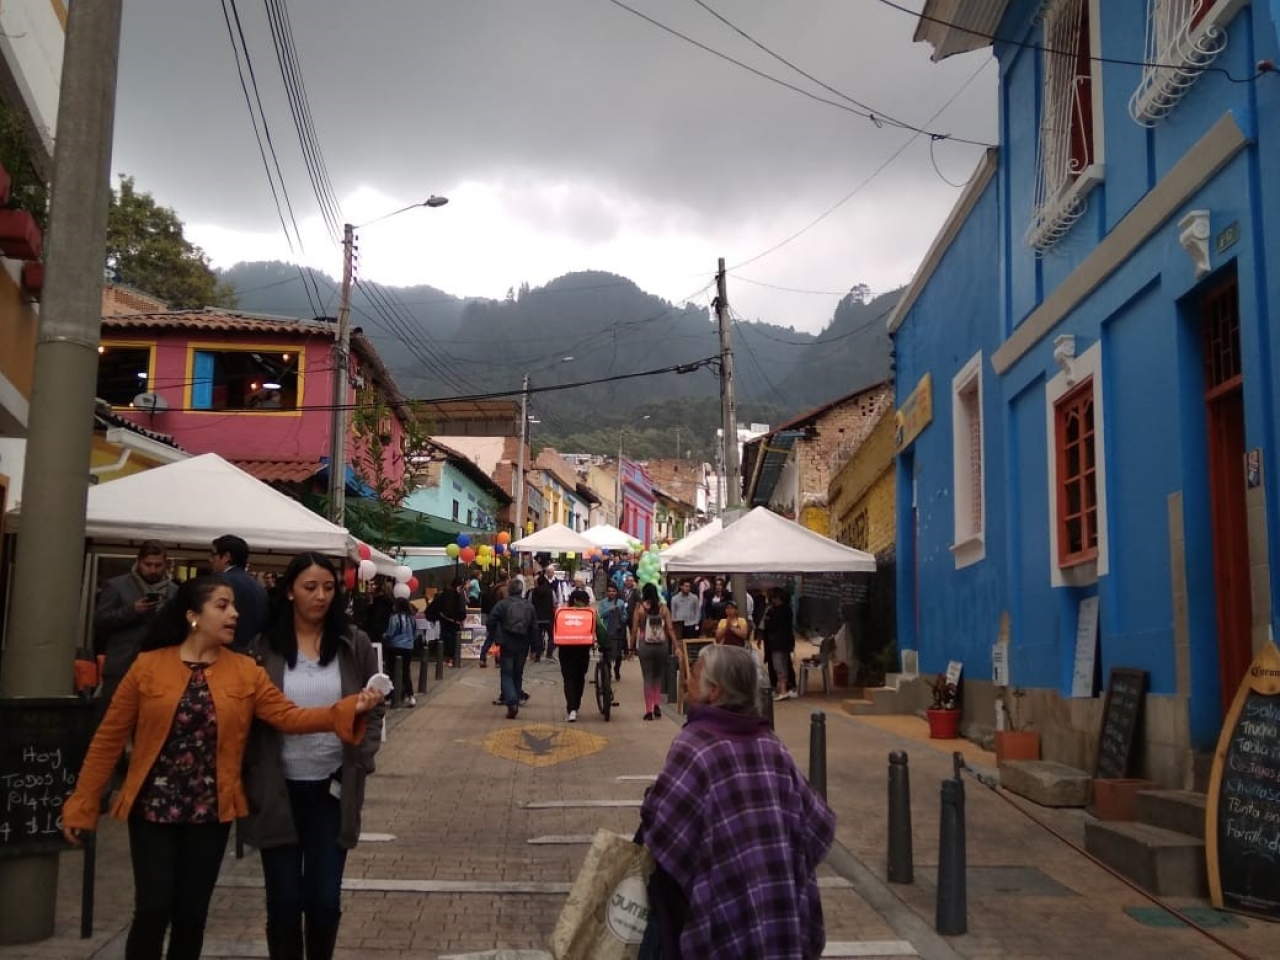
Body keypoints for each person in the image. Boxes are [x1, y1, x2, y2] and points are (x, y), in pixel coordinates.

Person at [61, 575, 383, 960]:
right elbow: (108, 740)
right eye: (222, 606)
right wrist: (83, 803)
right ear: (194, 616)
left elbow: (288, 717)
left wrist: (349, 710)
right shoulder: (148, 667)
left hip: (211, 809)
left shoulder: (245, 670)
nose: (234, 614)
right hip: (152, 806)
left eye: (233, 606)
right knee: (152, 909)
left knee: (192, 914)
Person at [639, 645, 834, 958]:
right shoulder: (772, 746)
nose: (687, 678)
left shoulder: (695, 743)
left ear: (713, 691)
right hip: (777, 900)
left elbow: (664, 823)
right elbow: (817, 825)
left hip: (720, 903)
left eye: (696, 673)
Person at [242, 553, 385, 960]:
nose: (320, 596)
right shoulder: (263, 647)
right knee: (284, 902)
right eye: (309, 587)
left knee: (323, 899)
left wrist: (363, 757)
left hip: (332, 791)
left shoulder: (352, 644)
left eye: (328, 587)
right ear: (289, 591)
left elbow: (373, 707)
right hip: (278, 789)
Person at [94, 540, 178, 706]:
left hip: (159, 665)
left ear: (165, 564)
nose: (152, 570)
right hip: (122, 665)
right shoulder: (116, 586)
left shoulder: (174, 591)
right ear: (138, 561)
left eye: (158, 565)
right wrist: (133, 611)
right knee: (115, 714)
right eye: (148, 564)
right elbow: (101, 620)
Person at [487, 580, 539, 719]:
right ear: (521, 590)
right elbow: (534, 628)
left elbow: (491, 620)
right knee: (518, 673)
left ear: (509, 590)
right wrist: (535, 648)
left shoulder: (502, 604)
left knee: (507, 673)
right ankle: (515, 699)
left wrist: (496, 635)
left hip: (507, 642)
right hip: (523, 644)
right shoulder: (529, 606)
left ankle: (511, 702)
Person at [210, 534, 269, 653]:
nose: (210, 559)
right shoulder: (259, 588)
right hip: (251, 654)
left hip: (222, 653)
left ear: (226, 557)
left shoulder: (219, 583)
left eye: (213, 554)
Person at [631, 582, 676, 721]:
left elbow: (634, 630)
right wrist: (676, 646)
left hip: (645, 645)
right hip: (661, 645)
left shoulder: (640, 608)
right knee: (658, 676)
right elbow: (670, 628)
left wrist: (631, 647)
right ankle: (657, 705)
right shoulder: (663, 608)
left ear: (644, 593)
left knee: (648, 677)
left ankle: (649, 710)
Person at [554, 588, 596, 722]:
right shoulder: (590, 613)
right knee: (580, 678)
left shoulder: (562, 612)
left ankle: (571, 708)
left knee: (568, 679)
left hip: (565, 649)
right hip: (583, 650)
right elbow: (600, 630)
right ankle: (575, 706)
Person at [762, 587, 798, 700]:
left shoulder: (778, 611)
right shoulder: (787, 610)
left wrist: (769, 618)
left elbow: (769, 624)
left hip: (777, 643)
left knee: (779, 667)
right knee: (784, 665)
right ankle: (785, 688)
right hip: (785, 642)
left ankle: (783, 690)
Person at [383, 596, 418, 708]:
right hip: (408, 647)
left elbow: (390, 633)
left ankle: (392, 696)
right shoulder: (412, 618)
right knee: (406, 671)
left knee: (392, 671)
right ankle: (410, 695)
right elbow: (415, 634)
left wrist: (384, 636)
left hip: (395, 647)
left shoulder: (394, 618)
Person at [596, 583, 629, 682]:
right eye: (609, 591)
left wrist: (621, 618)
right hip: (606, 631)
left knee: (618, 654)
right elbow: (600, 615)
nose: (611, 593)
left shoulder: (621, 603)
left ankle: (617, 669)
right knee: (607, 653)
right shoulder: (602, 603)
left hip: (617, 632)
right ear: (606, 592)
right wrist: (609, 610)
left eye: (613, 591)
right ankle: (607, 671)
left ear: (616, 592)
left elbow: (625, 615)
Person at [437, 578, 465, 666]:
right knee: (451, 640)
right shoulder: (454, 595)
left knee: (447, 639)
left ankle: (447, 658)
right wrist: (458, 619)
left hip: (448, 621)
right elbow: (457, 609)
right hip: (451, 621)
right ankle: (450, 659)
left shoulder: (449, 594)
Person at [530, 566, 556, 663]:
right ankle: (549, 653)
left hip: (536, 618)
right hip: (548, 617)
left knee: (538, 637)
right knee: (551, 636)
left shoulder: (532, 592)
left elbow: (529, 604)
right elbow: (555, 603)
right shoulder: (551, 591)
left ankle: (538, 655)